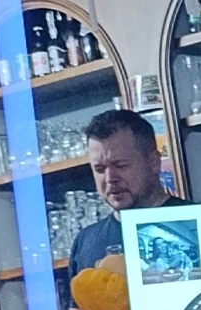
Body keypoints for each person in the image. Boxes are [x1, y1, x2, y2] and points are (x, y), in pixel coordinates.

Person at [70, 108, 170, 280]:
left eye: (121, 165)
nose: (110, 178)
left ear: (154, 163)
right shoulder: (86, 241)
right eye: (100, 169)